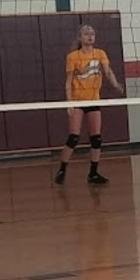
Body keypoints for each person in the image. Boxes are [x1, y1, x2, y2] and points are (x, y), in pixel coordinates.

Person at [54, 25, 123, 186]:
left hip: (94, 100)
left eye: (92, 33)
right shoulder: (73, 57)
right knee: (74, 137)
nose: (90, 36)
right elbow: (69, 81)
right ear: (80, 37)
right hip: (78, 101)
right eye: (86, 34)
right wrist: (69, 103)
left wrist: (115, 84)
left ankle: (93, 173)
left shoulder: (100, 54)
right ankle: (62, 169)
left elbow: (108, 71)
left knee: (96, 138)